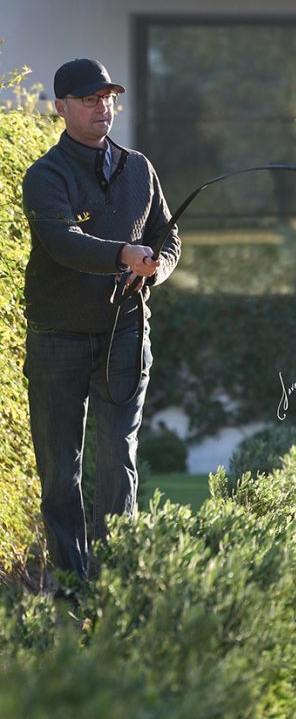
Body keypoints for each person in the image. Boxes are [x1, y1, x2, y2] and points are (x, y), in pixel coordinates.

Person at [22, 58, 181, 581]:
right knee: (59, 472)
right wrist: (122, 255)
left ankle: (116, 582)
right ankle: (72, 587)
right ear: (61, 106)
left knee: (117, 458)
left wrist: (154, 269)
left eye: (108, 98)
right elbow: (62, 241)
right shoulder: (45, 176)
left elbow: (167, 238)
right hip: (57, 337)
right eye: (89, 99)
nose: (102, 108)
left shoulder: (140, 168)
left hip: (125, 332)